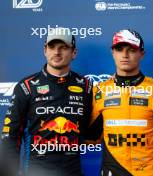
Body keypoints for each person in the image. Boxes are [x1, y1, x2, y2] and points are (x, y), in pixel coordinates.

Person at [0, 27, 93, 176]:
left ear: (74, 53)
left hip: (73, 172)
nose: (57, 52)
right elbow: (10, 137)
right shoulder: (27, 86)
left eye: (63, 47)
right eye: (52, 46)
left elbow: (91, 132)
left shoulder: (86, 86)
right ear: (45, 50)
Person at [88, 29, 153, 176]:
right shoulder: (99, 91)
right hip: (112, 171)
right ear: (113, 53)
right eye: (119, 49)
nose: (125, 55)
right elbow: (90, 137)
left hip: (148, 172)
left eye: (131, 50)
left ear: (142, 54)